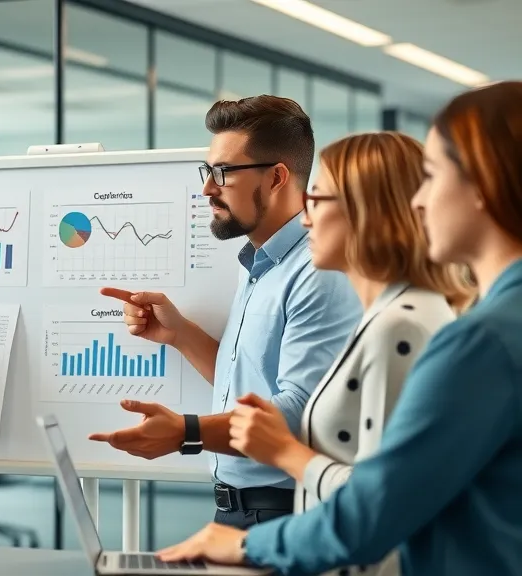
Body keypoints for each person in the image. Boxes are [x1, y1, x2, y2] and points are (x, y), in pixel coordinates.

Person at [156, 81, 522, 576]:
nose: (419, 202)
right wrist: (182, 335)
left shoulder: (476, 338)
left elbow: (372, 508)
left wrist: (208, 447)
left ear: (483, 186)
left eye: (433, 176)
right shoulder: (485, 326)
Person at [92, 95, 362, 529]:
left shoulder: (318, 271)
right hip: (241, 508)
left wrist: (187, 431)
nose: (207, 188)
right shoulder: (258, 265)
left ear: (276, 177)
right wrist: (180, 334)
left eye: (223, 173)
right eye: (207, 171)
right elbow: (250, 383)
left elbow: (302, 412)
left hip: (286, 510)